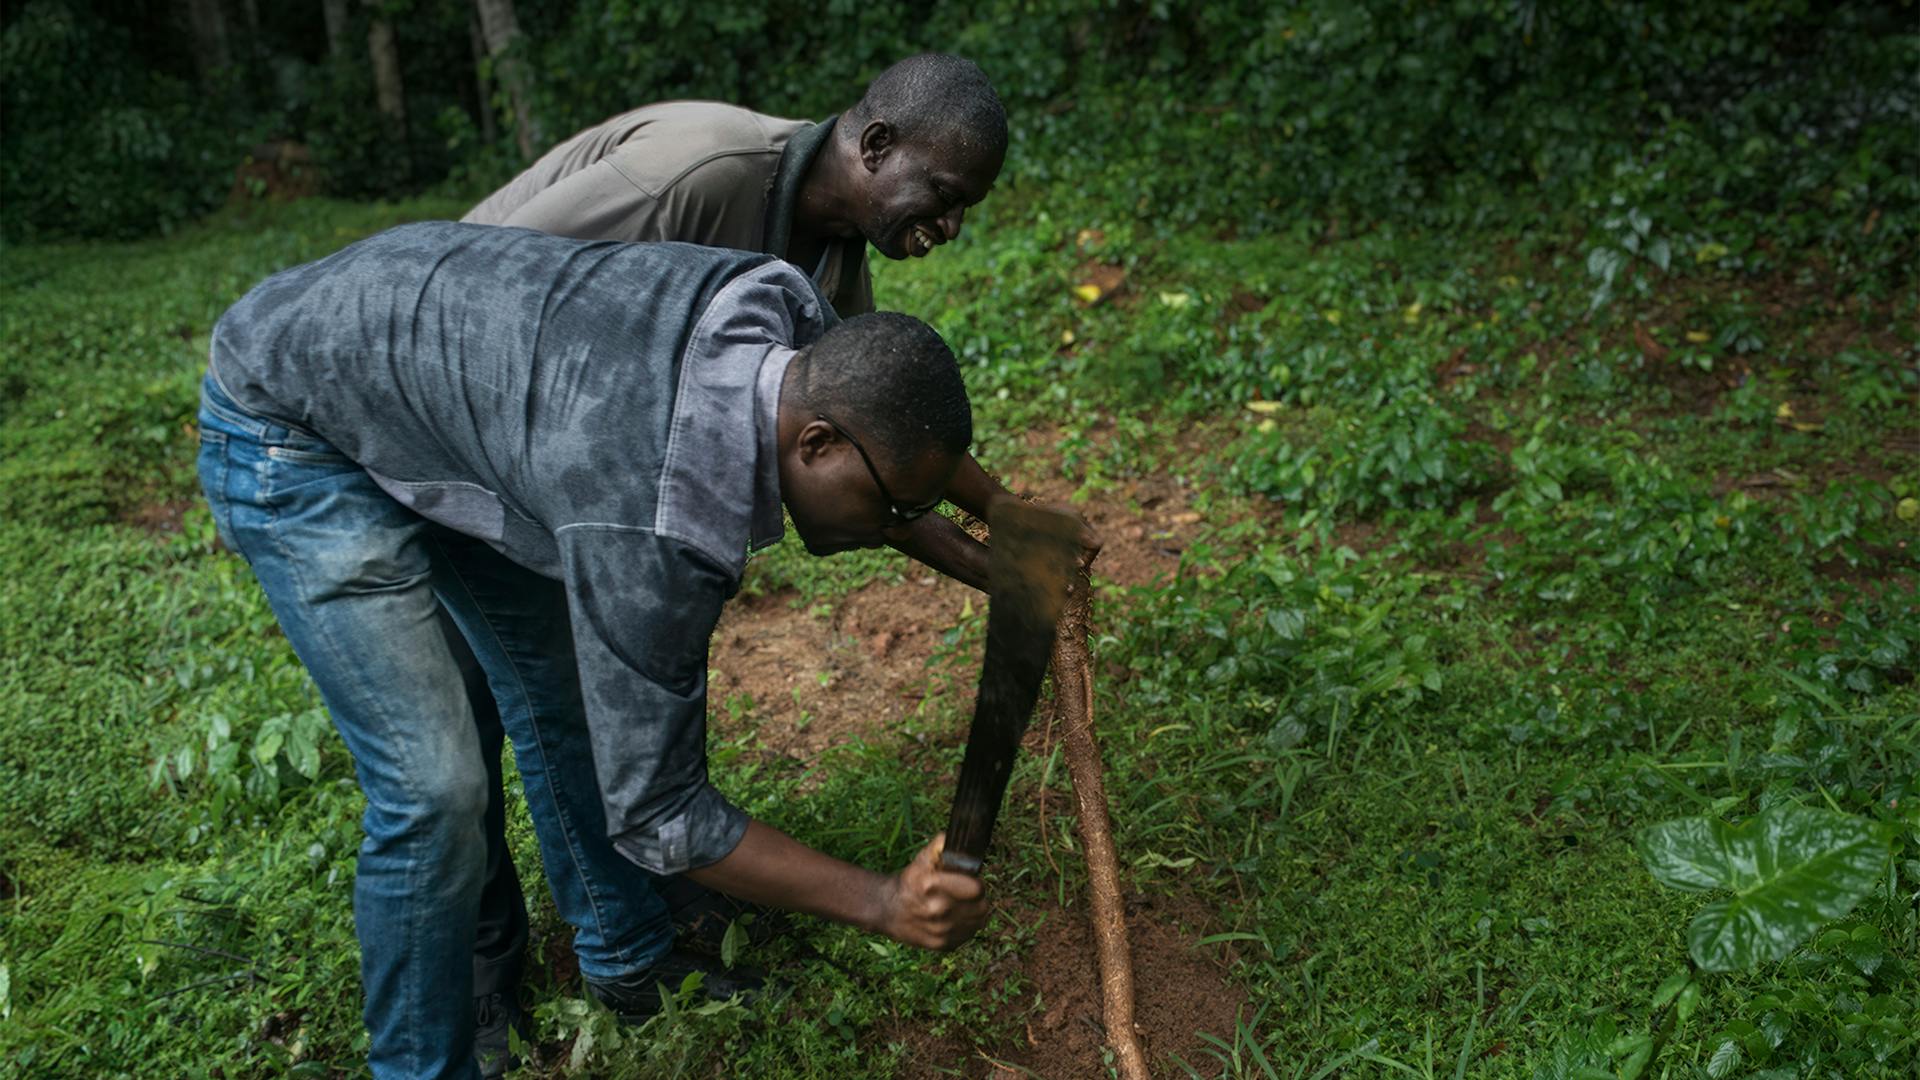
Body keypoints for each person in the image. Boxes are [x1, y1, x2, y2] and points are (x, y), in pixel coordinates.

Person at [197, 221, 991, 1080]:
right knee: (434, 789)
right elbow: (658, 811)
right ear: (817, 444)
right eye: (894, 509)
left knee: (564, 688)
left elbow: (882, 419)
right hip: (292, 424)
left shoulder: (776, 304)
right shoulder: (655, 518)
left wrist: (1000, 524)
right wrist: (881, 902)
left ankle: (625, 954)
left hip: (442, 379)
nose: (897, 529)